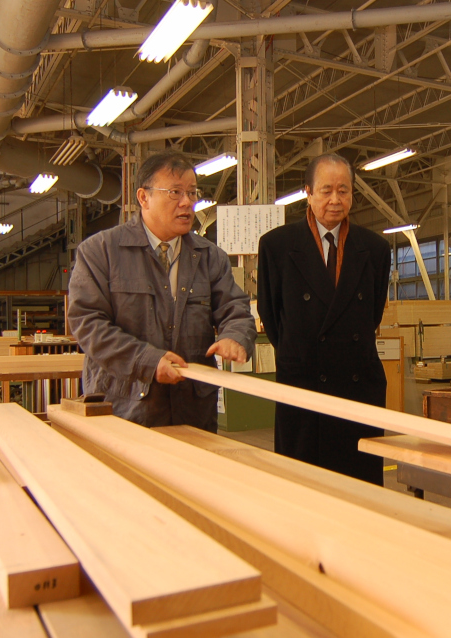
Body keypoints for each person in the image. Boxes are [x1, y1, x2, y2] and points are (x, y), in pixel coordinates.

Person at [68, 150, 256, 432]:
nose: (187, 203)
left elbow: (235, 309)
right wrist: (148, 362)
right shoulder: (100, 252)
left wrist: (235, 336)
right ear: (144, 198)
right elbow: (87, 323)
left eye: (192, 193)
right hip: (125, 408)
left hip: (193, 413)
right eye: (175, 192)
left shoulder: (210, 257)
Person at [257, 153, 391, 485]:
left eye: (343, 191)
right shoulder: (277, 246)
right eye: (326, 190)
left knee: (359, 489)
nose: (335, 200)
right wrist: (299, 351)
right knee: (304, 488)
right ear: (308, 192)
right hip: (304, 384)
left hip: (356, 384)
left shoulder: (374, 248)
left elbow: (372, 313)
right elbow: (272, 317)